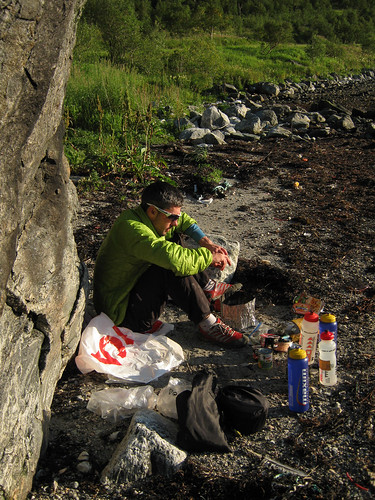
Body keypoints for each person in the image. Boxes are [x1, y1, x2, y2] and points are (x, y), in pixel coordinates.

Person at [93, 181, 248, 348]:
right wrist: (210, 257)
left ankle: (208, 288)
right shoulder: (133, 229)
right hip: (121, 315)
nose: (176, 221)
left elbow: (183, 222)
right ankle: (208, 324)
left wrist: (206, 242)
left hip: (129, 292)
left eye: (177, 216)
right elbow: (175, 260)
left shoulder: (145, 217)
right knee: (169, 266)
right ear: (152, 211)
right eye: (172, 217)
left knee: (173, 236)